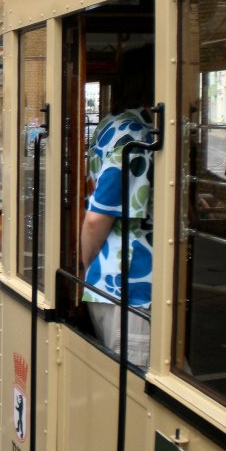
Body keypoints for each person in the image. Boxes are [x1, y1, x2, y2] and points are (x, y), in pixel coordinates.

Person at [80, 44, 155, 368]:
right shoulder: (135, 134)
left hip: (114, 284)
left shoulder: (111, 124)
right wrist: (87, 269)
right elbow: (98, 218)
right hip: (127, 285)